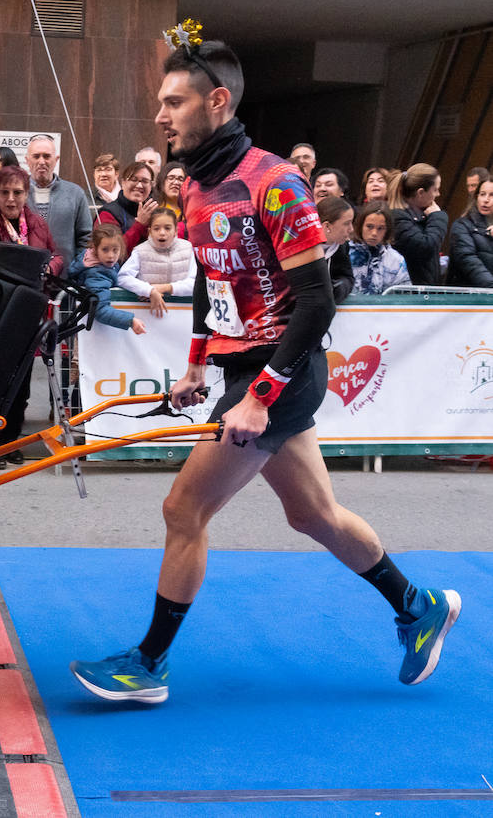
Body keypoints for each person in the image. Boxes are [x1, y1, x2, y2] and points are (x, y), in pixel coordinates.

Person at [70, 35, 458, 704]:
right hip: (242, 371)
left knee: (183, 506)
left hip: (278, 376)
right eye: (160, 103)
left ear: (217, 101)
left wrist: (258, 399)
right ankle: (417, 605)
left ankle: (149, 665)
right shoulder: (193, 184)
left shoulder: (275, 182)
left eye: (175, 102)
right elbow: (209, 283)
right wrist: (197, 361)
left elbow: (318, 304)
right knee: (314, 515)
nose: (161, 116)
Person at [0, 164, 61, 468]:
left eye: (17, 192)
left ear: (26, 194)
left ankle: (10, 441)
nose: (10, 199)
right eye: (4, 192)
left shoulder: (37, 225)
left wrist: (51, 268)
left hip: (29, 313)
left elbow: (55, 255)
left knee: (20, 385)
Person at [24, 133, 92, 270]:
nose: (41, 161)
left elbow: (86, 237)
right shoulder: (17, 194)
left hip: (65, 278)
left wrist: (77, 269)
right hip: (25, 277)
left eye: (47, 156)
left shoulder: (75, 193)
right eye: (36, 156)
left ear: (56, 159)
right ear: (27, 160)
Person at [118, 205, 196, 317]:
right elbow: (122, 277)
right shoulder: (140, 251)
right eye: (156, 228)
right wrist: (149, 290)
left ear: (176, 231)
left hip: (182, 316)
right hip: (148, 315)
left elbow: (195, 283)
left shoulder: (188, 249)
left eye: (168, 228)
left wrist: (166, 287)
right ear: (150, 231)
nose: (162, 233)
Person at [71, 224, 146, 335]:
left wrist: (140, 290)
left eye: (115, 250)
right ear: (95, 249)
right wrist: (130, 321)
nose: (111, 256)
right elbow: (100, 310)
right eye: (105, 250)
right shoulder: (96, 274)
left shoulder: (109, 266)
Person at [388, 163, 447, 286]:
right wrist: (438, 217)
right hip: (410, 293)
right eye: (435, 190)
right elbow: (425, 246)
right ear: (420, 192)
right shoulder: (398, 218)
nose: (438, 194)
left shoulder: (423, 216)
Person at [96, 160, 159, 251]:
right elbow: (111, 254)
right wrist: (139, 225)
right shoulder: (108, 213)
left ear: (151, 186)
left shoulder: (155, 212)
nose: (139, 185)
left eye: (145, 181)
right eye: (134, 180)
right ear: (123, 182)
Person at [349, 203, 410, 295]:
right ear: (360, 226)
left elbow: (404, 297)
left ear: (387, 230)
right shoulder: (345, 253)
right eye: (369, 226)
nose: (374, 233)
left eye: (380, 228)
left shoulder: (396, 260)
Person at [447, 177, 493, 288]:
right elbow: (468, 260)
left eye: (492, 195)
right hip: (468, 297)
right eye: (482, 194)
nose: (486, 200)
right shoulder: (462, 225)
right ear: (476, 197)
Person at [316, 195, 355, 303]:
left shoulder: (341, 246)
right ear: (327, 226)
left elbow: (347, 277)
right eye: (346, 223)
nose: (351, 229)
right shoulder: (302, 248)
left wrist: (338, 288)